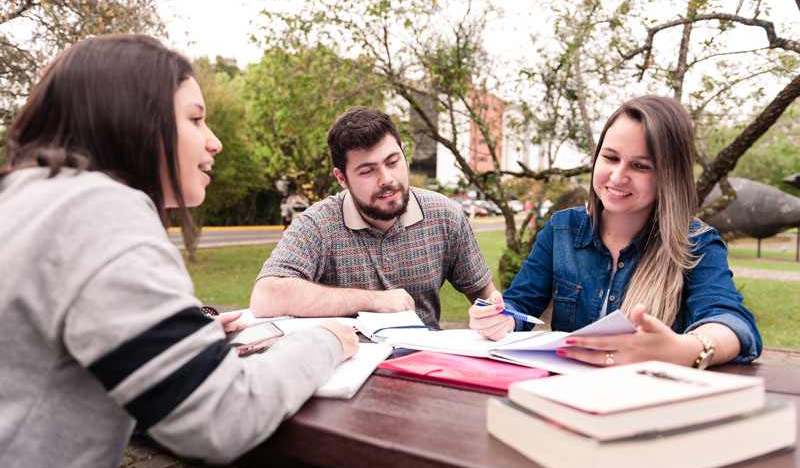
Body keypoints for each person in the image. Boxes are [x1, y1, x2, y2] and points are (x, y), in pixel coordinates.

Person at [0, 34, 358, 468]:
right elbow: (221, 415)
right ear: (130, 118)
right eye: (195, 118)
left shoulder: (26, 198)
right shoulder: (99, 211)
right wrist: (327, 340)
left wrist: (176, 337)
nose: (215, 140)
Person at [469, 95, 761, 368]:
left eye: (640, 166)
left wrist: (685, 349)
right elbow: (520, 303)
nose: (618, 176)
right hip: (564, 397)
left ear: (669, 177)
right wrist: (499, 318)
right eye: (610, 158)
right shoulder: (561, 230)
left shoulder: (697, 244)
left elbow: (731, 322)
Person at [250, 106, 496, 326]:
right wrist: (373, 301)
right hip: (348, 365)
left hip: (425, 363)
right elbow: (265, 297)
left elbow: (488, 299)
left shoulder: (446, 216)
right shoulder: (318, 225)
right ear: (342, 178)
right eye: (368, 171)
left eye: (392, 162)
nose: (387, 179)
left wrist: (495, 320)